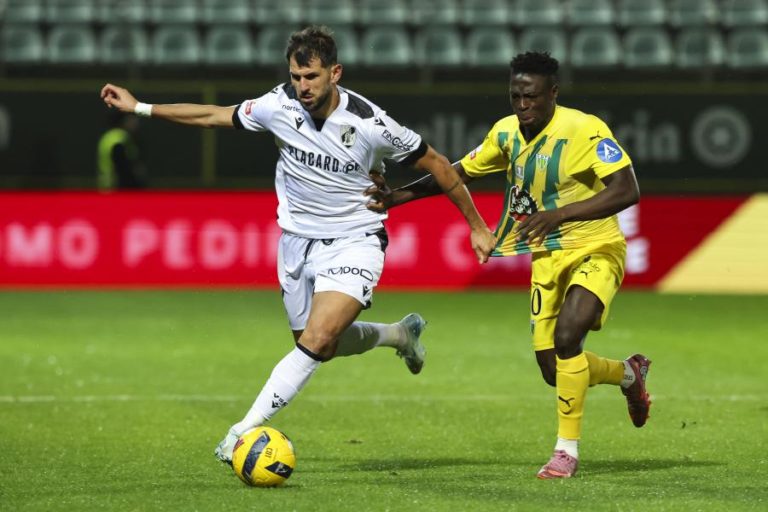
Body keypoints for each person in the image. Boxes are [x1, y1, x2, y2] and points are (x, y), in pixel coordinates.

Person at [100, 25, 496, 465]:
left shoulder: (369, 122)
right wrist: (140, 107)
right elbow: (213, 115)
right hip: (295, 244)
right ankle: (400, 334)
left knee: (318, 337)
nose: (302, 86)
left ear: (335, 73)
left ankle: (241, 432)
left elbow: (440, 165)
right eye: (296, 76)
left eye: (311, 76)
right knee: (316, 344)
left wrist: (476, 225)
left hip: (354, 240)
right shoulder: (277, 105)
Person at [365, 51, 650, 479]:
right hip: (547, 257)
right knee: (554, 370)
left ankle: (565, 452)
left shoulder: (585, 129)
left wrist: (559, 214)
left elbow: (627, 190)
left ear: (553, 93)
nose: (522, 105)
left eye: (532, 96)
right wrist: (397, 197)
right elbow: (457, 172)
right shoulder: (506, 134)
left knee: (569, 335)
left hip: (595, 247)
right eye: (515, 95)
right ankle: (628, 374)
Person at [97, 110, 146, 190]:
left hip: (108, 187)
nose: (135, 122)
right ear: (123, 121)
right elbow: (123, 169)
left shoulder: (109, 137)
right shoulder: (120, 139)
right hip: (118, 189)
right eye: (131, 118)